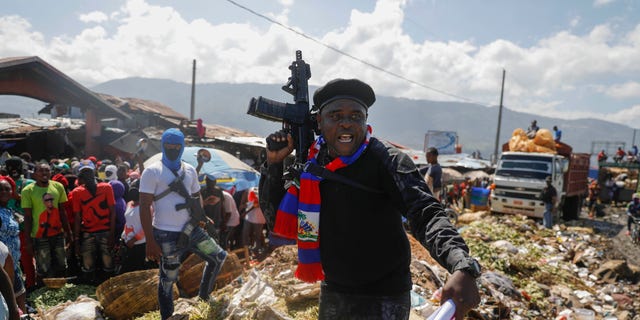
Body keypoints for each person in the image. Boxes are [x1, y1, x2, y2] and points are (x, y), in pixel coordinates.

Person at [259, 78, 481, 320]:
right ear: (319, 122)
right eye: (336, 115)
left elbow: (426, 214)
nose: (346, 124)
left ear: (365, 122)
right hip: (334, 289)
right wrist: (274, 163)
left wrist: (461, 265)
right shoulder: (311, 164)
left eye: (356, 116)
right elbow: (274, 221)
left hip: (385, 295)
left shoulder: (388, 160)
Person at [139, 128, 227, 320]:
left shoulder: (189, 170)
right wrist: (150, 240)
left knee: (219, 256)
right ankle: (167, 317)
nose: (172, 149)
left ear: (182, 146)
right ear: (162, 145)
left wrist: (202, 217)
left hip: (191, 228)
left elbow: (196, 198)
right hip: (165, 234)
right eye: (168, 146)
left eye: (176, 146)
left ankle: (204, 298)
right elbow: (144, 206)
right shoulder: (152, 171)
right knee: (168, 280)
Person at [21, 162, 72, 283]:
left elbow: (62, 211)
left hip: (58, 235)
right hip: (39, 237)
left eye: (47, 171)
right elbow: (27, 217)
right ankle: (43, 295)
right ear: (35, 174)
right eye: (40, 171)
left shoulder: (58, 186)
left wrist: (69, 233)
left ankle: (61, 292)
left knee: (61, 265)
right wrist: (28, 241)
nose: (44, 173)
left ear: (51, 173)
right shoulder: (28, 191)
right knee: (43, 269)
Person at [72, 160, 116, 284]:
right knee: (88, 265)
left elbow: (113, 212)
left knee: (108, 264)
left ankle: (109, 287)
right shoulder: (77, 193)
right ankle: (90, 290)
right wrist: (76, 240)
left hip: (105, 232)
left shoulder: (106, 188)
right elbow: (77, 217)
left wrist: (112, 234)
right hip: (88, 232)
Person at [0, 178, 25, 313]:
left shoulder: (9, 210)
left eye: (7, 189)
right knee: (9, 302)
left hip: (14, 263)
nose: (4, 191)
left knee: (19, 296)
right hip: (3, 265)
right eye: (1, 189)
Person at [241, 187, 266, 257]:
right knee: (245, 234)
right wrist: (244, 206)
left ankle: (257, 251)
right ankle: (246, 251)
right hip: (249, 217)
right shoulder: (249, 189)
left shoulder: (262, 189)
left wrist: (246, 212)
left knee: (257, 236)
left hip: (259, 218)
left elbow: (256, 204)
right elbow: (247, 202)